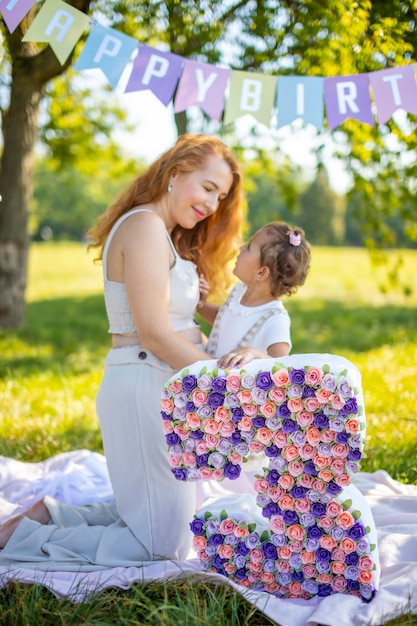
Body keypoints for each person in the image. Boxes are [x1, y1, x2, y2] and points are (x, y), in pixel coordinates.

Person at [0, 133, 249, 567]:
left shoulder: (162, 234)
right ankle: (21, 537)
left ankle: (50, 514)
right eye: (207, 188)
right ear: (175, 174)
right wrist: (228, 378)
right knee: (161, 548)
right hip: (142, 385)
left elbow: (173, 316)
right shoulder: (144, 226)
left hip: (163, 385)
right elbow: (152, 333)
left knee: (163, 520)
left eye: (220, 196)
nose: (212, 204)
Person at [198, 222, 311, 369]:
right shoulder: (239, 291)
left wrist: (255, 354)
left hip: (237, 389)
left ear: (261, 273)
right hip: (208, 380)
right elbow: (224, 321)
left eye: (249, 246)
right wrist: (201, 304)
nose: (240, 248)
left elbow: (282, 366)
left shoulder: (275, 319)